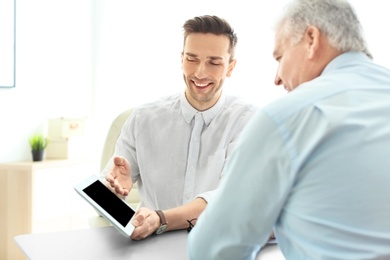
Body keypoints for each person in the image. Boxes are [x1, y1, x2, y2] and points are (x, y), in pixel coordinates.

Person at [187, 0, 390, 259]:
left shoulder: (286, 117)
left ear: (311, 40)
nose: (277, 78)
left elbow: (212, 250)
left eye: (280, 57)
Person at [102, 15, 257, 240]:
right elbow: (104, 197)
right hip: (150, 246)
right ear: (181, 58)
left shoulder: (247, 120)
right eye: (192, 59)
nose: (200, 73)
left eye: (214, 62)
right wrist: (114, 192)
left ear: (230, 67)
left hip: (216, 245)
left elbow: (230, 199)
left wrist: (161, 219)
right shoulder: (144, 118)